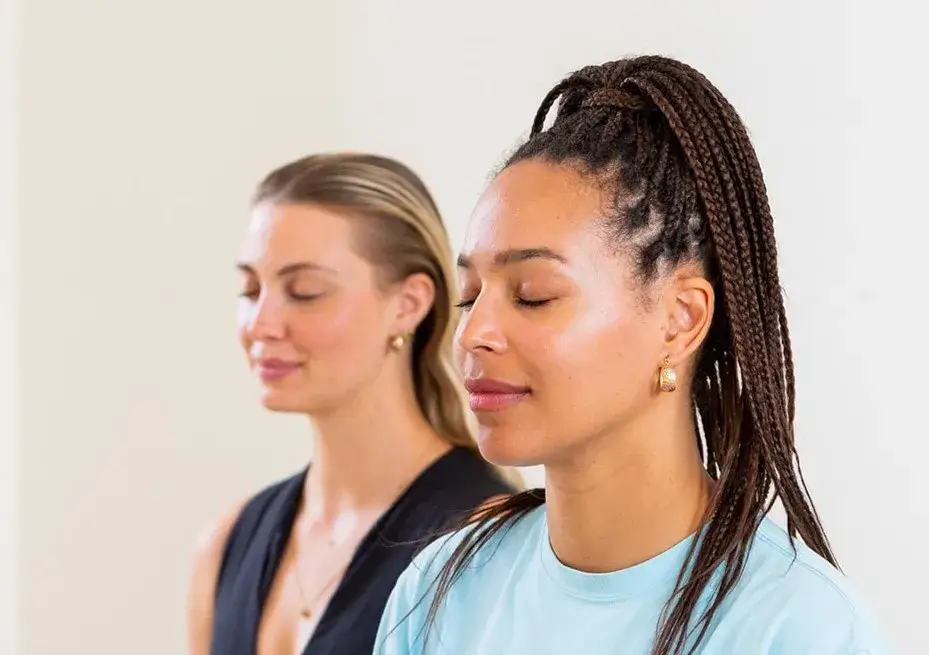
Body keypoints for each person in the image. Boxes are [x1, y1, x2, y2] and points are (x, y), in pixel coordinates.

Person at [374, 56, 895, 654]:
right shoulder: (441, 590)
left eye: (533, 295)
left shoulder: (801, 629)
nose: (474, 334)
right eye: (471, 298)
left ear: (681, 319)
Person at [186, 153, 517, 655]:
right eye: (251, 289)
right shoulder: (227, 542)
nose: (260, 323)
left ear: (408, 304)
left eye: (304, 291)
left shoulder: (484, 543)